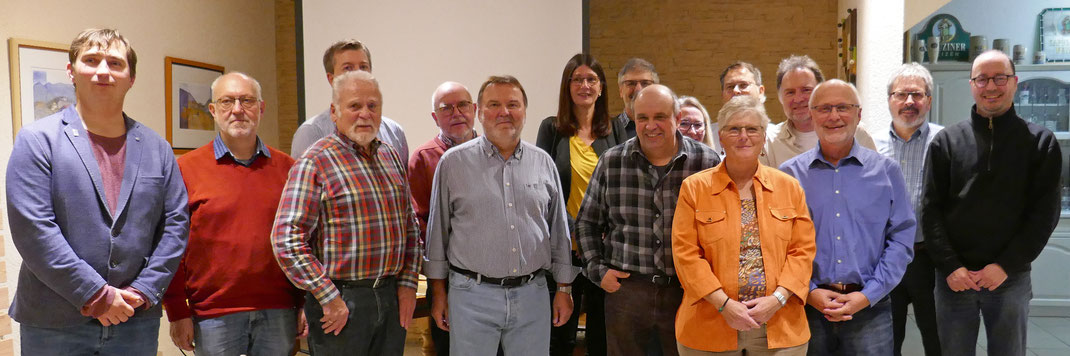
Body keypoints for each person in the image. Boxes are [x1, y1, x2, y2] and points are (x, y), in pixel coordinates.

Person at [6, 28, 190, 354]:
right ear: (71, 71)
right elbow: (34, 230)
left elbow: (175, 225)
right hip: (55, 323)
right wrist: (96, 294)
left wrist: (145, 289)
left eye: (115, 63)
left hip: (134, 319)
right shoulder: (37, 141)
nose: (103, 70)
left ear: (131, 78)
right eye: (91, 60)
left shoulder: (157, 149)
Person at [424, 75, 577, 355]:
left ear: (524, 112)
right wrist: (438, 294)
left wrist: (564, 290)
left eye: (513, 104)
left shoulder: (543, 162)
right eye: (494, 104)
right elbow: (437, 235)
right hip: (471, 296)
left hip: (533, 295)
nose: (504, 112)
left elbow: (559, 233)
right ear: (479, 112)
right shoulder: (453, 164)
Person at [922, 50, 1062, 356]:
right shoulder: (946, 142)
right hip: (954, 280)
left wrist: (1004, 266)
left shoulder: (1040, 143)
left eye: (1000, 78)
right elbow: (930, 211)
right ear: (972, 85)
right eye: (982, 79)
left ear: (1014, 82)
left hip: (1009, 278)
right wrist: (951, 266)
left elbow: (1043, 216)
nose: (991, 86)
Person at [272, 71, 421, 356]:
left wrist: (407, 284)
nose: (365, 114)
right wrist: (329, 297)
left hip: (390, 297)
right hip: (341, 302)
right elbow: (286, 240)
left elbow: (410, 227)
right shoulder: (315, 162)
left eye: (373, 106)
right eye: (355, 106)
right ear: (334, 111)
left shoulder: (390, 156)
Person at [162, 72, 304, 355]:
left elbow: (304, 240)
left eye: (246, 100)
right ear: (213, 110)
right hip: (213, 315)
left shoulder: (290, 169)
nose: (237, 109)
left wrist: (305, 303)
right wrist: (177, 310)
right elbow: (170, 244)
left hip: (279, 311)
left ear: (261, 109)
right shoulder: (185, 170)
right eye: (227, 102)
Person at [576, 84, 721, 356]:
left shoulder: (706, 163)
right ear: (633, 119)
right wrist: (598, 271)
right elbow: (587, 223)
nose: (650, 126)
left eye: (660, 117)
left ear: (677, 119)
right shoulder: (612, 162)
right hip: (627, 293)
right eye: (643, 118)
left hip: (688, 294)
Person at [780, 79, 915, 356]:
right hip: (806, 308)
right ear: (811, 113)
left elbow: (901, 240)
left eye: (843, 107)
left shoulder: (886, 173)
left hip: (870, 308)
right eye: (824, 108)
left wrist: (868, 295)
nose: (834, 116)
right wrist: (808, 291)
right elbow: (776, 244)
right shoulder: (788, 176)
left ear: (859, 114)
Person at [673, 95, 815, 355]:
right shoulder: (694, 189)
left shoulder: (789, 187)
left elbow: (802, 252)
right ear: (722, 137)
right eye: (734, 129)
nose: (743, 136)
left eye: (752, 129)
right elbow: (686, 255)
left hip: (780, 324)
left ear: (763, 138)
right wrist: (723, 304)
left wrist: (777, 299)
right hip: (710, 324)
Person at [535, 53, 627, 356]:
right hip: (564, 250)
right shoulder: (551, 129)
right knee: (560, 335)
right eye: (577, 79)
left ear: (601, 88)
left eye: (591, 79)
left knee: (602, 337)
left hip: (604, 251)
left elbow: (621, 190)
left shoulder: (614, 131)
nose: (584, 85)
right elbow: (541, 188)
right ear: (567, 86)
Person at [872, 63, 943, 356]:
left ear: (929, 99)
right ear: (889, 99)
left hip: (931, 259)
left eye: (917, 94)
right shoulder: (869, 146)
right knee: (887, 341)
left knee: (938, 339)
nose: (909, 102)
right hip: (885, 259)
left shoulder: (945, 141)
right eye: (901, 95)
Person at [408, 81, 479, 356]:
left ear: (474, 109)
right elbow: (420, 224)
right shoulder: (423, 158)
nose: (456, 112)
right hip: (450, 280)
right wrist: (439, 288)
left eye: (462, 105)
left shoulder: (498, 151)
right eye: (446, 108)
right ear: (435, 118)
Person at [291, 39, 408, 159]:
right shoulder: (311, 132)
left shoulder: (394, 132)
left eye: (363, 67)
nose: (357, 73)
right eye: (348, 68)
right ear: (331, 79)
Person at [763, 55, 875, 169]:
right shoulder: (769, 143)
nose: (798, 99)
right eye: (790, 92)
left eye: (806, 90)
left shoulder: (857, 133)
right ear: (780, 97)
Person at [615, 57, 659, 138]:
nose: (638, 89)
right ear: (621, 90)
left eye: (645, 83)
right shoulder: (607, 131)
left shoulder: (665, 128)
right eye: (631, 83)